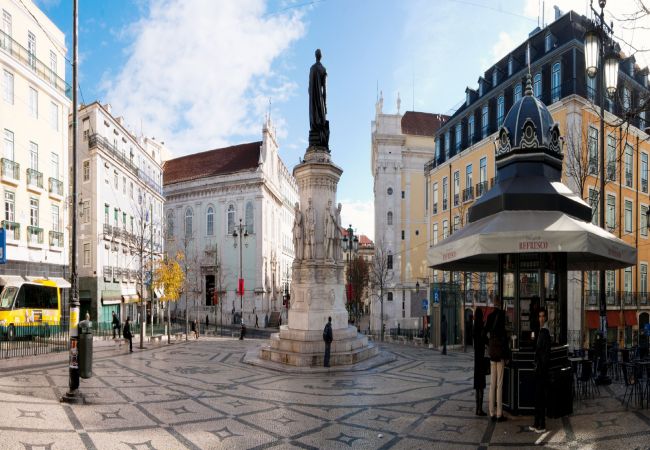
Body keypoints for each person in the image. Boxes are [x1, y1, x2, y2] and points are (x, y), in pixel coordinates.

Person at [484, 297, 508, 422]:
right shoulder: (502, 315)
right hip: (500, 354)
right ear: (500, 304)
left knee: (492, 384)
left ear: (493, 304)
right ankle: (499, 413)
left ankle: (491, 412)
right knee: (499, 384)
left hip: (492, 353)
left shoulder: (490, 316)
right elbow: (504, 335)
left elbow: (485, 332)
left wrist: (489, 344)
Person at [530, 308, 551, 433]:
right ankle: (536, 422)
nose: (541, 318)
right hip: (539, 370)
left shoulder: (545, 332)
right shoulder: (540, 331)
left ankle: (541, 424)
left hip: (542, 370)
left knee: (540, 398)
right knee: (537, 397)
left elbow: (546, 353)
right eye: (539, 316)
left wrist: (542, 367)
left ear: (546, 317)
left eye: (543, 316)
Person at [473, 308, 488, 416]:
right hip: (482, 357)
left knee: (477, 384)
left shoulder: (474, 327)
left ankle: (477, 408)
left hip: (476, 358)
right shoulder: (482, 327)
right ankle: (480, 409)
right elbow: (486, 340)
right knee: (481, 384)